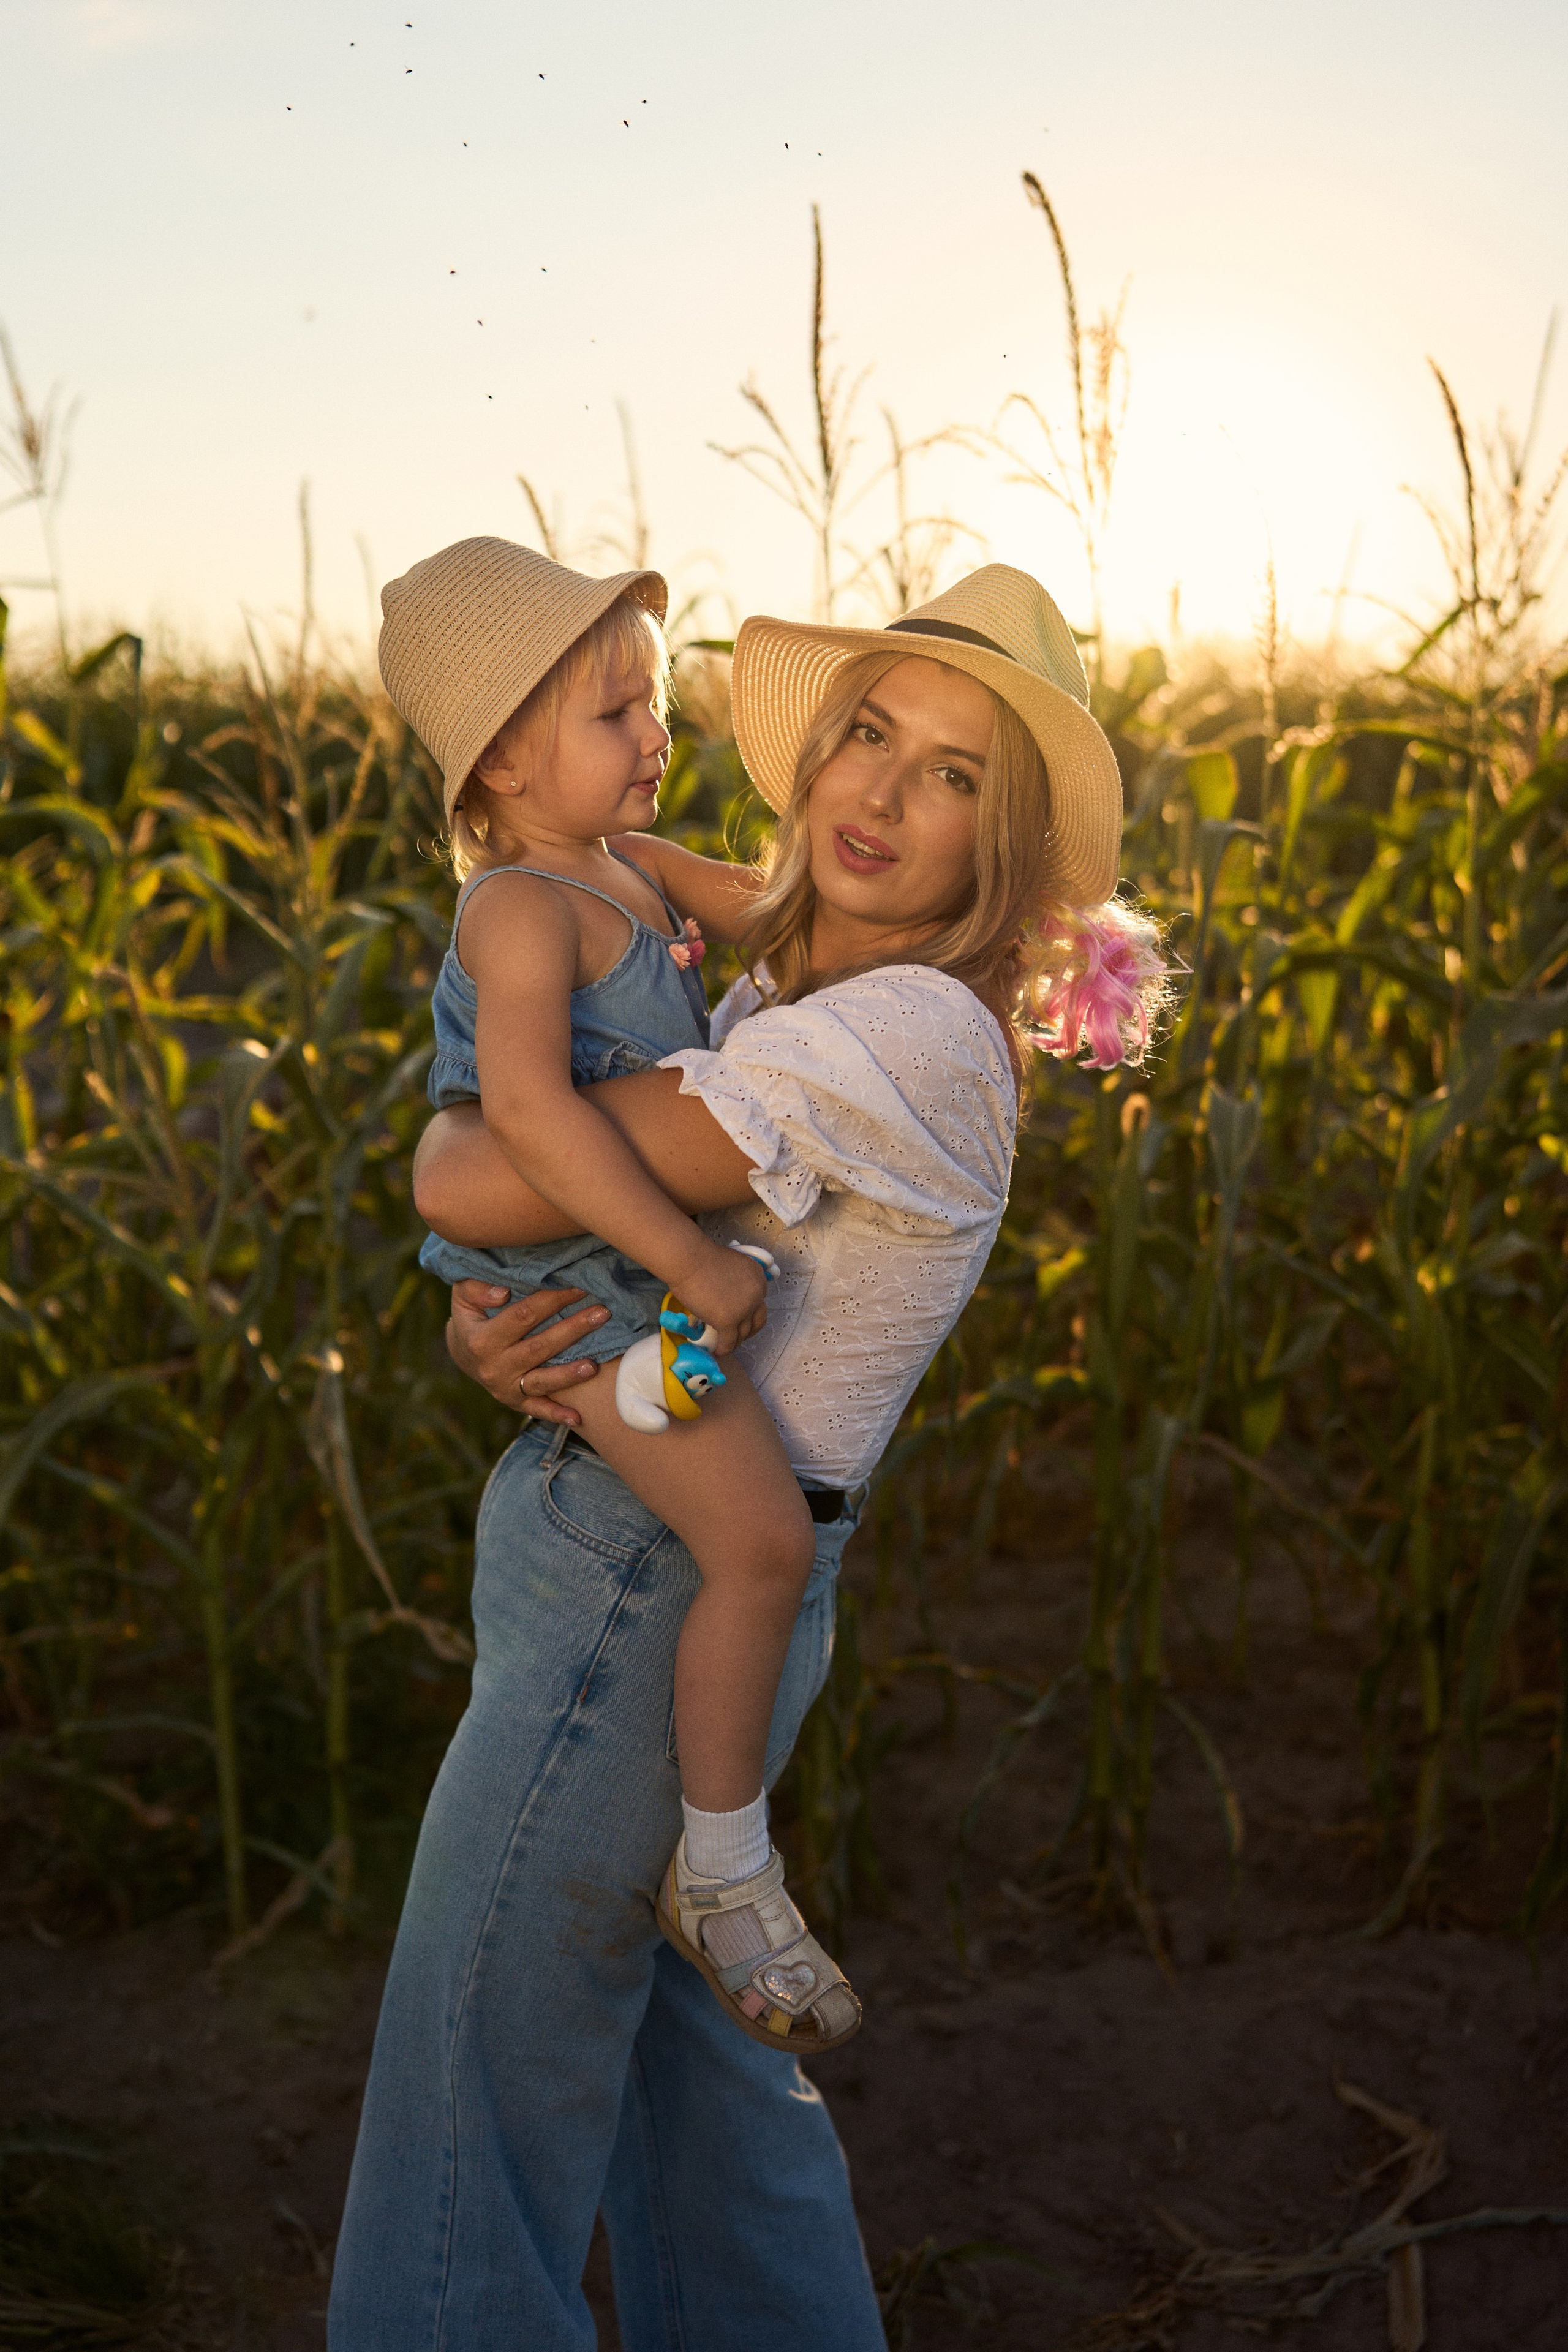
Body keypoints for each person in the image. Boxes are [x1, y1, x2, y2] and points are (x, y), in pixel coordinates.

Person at [329, 564, 1166, 2352]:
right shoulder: (813, 969)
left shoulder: (905, 1039)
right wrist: (509, 1332)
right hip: (682, 1532)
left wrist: (463, 1205)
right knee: (697, 2094)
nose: (878, 790)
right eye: (866, 732)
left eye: (953, 774)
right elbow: (685, 919)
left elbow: (479, 1172)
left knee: (476, 2083)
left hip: (645, 1584)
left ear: (1009, 848)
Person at [379, 536, 857, 2049]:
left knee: (744, 1509)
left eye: (652, 703)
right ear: (501, 762)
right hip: (579, 1288)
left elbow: (786, 909)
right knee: (761, 1542)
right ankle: (724, 1869)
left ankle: (716, 1851)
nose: (658, 734)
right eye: (613, 714)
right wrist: (691, 1260)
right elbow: (525, 1117)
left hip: (630, 1280)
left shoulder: (630, 870)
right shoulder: (518, 908)